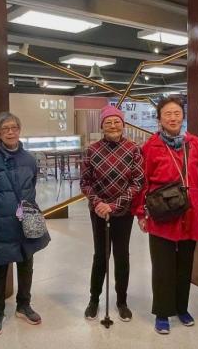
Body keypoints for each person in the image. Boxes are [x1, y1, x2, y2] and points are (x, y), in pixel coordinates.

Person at [132, 96, 198, 335]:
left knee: (185, 263)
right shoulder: (150, 146)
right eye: (167, 114)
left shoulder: (195, 143)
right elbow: (142, 182)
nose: (173, 118)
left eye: (177, 113)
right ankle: (162, 312)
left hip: (190, 210)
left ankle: (181, 308)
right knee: (162, 265)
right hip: (161, 211)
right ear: (159, 119)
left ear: (183, 116)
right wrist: (141, 213)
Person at [0, 112, 50, 336]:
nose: (10, 132)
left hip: (26, 221)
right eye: (5, 128)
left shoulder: (29, 159)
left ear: (19, 130)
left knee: (26, 264)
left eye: (14, 127)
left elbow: (31, 185)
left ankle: (24, 305)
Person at [80, 105, 144, 322]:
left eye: (117, 121)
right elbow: (85, 182)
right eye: (108, 122)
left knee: (122, 255)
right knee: (100, 255)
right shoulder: (92, 150)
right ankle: (94, 300)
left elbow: (137, 182)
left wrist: (115, 205)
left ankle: (122, 301)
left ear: (123, 124)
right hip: (98, 211)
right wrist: (99, 203)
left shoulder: (133, 149)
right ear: (102, 126)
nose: (113, 125)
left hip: (123, 212)